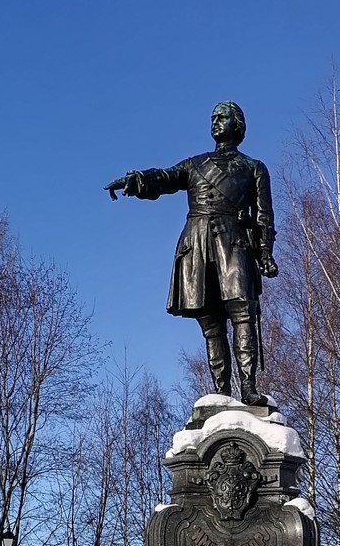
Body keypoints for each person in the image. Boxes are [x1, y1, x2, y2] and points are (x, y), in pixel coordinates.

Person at [106, 101, 277, 406]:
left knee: (242, 313)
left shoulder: (254, 168)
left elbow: (264, 215)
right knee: (210, 323)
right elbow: (165, 178)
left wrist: (265, 253)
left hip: (234, 241)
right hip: (197, 244)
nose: (215, 121)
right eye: (212, 117)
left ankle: (247, 388)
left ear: (236, 125)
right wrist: (135, 180)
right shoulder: (195, 165)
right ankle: (221, 393)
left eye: (222, 117)